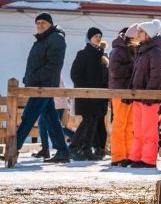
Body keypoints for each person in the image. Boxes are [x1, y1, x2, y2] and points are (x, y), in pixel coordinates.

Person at [14, 13, 70, 163]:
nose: (40, 25)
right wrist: (29, 78)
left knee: (28, 117)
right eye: (37, 22)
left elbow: (53, 66)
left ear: (51, 24)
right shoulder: (43, 39)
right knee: (51, 119)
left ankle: (14, 148)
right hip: (39, 85)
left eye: (43, 22)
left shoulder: (55, 39)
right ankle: (63, 151)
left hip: (44, 86)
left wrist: (33, 78)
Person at [129, 19, 161, 169]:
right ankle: (136, 157)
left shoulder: (155, 52)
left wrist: (150, 95)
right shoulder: (142, 51)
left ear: (148, 34)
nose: (137, 34)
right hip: (139, 96)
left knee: (149, 129)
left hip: (149, 98)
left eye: (140, 31)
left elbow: (157, 75)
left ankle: (148, 159)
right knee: (138, 129)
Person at [69, 28, 110, 161]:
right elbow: (75, 74)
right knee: (87, 120)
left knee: (93, 121)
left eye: (99, 36)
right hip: (86, 95)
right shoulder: (83, 54)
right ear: (89, 38)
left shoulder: (102, 55)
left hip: (98, 96)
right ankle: (74, 148)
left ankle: (86, 149)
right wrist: (83, 89)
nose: (98, 38)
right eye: (95, 36)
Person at [109, 26, 138, 167]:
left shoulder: (131, 50)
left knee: (129, 125)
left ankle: (127, 155)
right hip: (119, 92)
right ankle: (117, 156)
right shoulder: (117, 51)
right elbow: (115, 71)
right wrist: (133, 67)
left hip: (128, 92)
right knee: (119, 125)